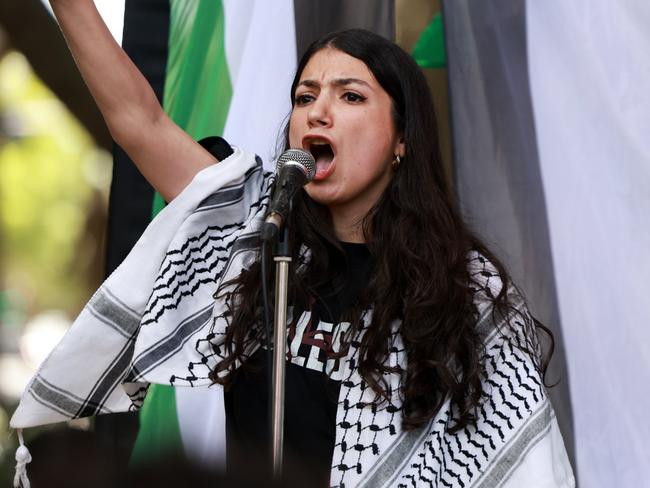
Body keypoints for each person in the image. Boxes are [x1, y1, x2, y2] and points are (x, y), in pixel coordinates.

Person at [10, 1, 575, 487]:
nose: (318, 111)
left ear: (402, 138)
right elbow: (139, 120)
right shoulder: (254, 230)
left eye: (350, 96)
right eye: (305, 97)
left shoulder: (462, 286)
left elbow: (519, 461)